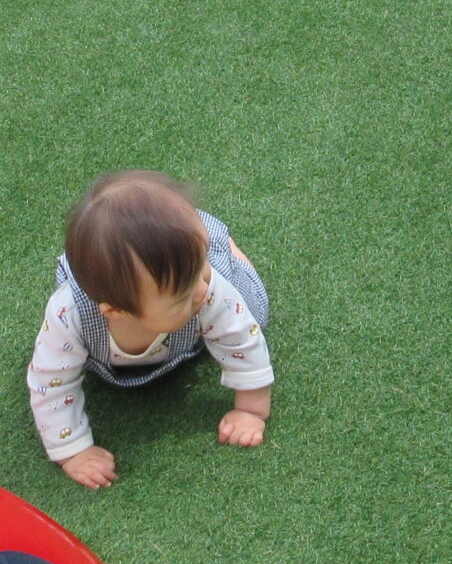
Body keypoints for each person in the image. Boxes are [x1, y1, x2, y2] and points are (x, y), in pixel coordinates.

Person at [26, 172, 275, 489]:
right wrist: (73, 451)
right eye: (182, 297)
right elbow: (50, 383)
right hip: (124, 331)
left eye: (201, 271)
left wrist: (251, 410)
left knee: (250, 306)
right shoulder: (70, 315)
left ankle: (224, 248)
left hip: (198, 304)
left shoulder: (203, 284)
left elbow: (241, 338)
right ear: (115, 311)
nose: (202, 290)